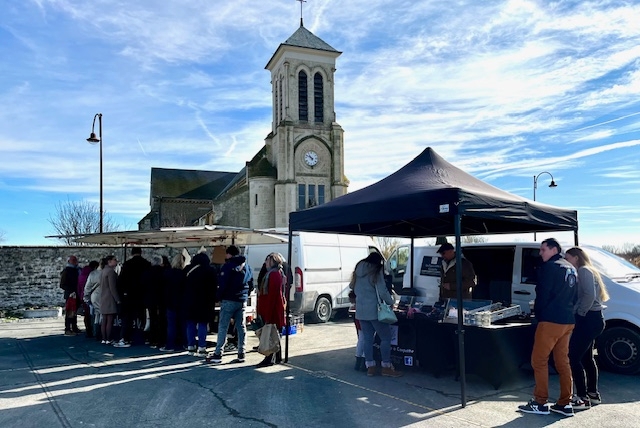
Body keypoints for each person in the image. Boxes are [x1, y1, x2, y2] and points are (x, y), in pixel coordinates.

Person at [519, 238, 577, 417]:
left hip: (551, 320)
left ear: (553, 250)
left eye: (543, 249)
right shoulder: (570, 267)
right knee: (562, 361)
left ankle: (540, 402)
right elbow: (575, 295)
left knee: (539, 360)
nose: (540, 253)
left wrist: (538, 313)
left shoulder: (550, 267)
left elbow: (542, 294)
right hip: (568, 320)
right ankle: (565, 403)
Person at [565, 246, 609, 409]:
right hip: (594, 319)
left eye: (567, 257)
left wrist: (579, 313)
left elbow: (589, 295)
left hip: (588, 319)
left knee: (573, 357)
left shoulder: (583, 271)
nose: (566, 260)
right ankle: (593, 394)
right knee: (587, 357)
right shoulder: (589, 270)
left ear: (576, 257)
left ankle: (582, 398)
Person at [351, 252, 402, 377]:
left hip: (361, 311)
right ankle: (386, 366)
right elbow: (382, 291)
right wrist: (392, 301)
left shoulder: (358, 268)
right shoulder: (376, 270)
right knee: (386, 338)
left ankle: (370, 367)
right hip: (375, 310)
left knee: (368, 339)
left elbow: (352, 286)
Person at [208, 245, 253, 364]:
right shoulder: (247, 267)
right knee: (241, 326)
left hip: (228, 300)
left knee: (223, 326)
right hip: (241, 300)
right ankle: (241, 353)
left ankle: (218, 353)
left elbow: (223, 284)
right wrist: (244, 295)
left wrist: (218, 297)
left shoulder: (227, 267)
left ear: (229, 254)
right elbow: (251, 285)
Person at [255, 252, 287, 367]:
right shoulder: (274, 273)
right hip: (271, 308)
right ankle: (277, 357)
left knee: (271, 334)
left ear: (273, 261)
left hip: (272, 309)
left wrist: (267, 314)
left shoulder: (274, 274)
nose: (266, 263)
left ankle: (270, 358)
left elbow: (273, 295)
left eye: (268, 260)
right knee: (275, 334)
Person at [115, 247, 151, 348]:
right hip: (143, 294)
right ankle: (146, 337)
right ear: (141, 252)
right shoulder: (146, 264)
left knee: (128, 318)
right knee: (143, 317)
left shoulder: (127, 264)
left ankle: (126, 338)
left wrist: (122, 293)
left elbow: (120, 282)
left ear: (132, 253)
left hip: (129, 295)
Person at [183, 252, 217, 357]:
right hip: (205, 302)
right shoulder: (210, 270)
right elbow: (214, 287)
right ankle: (202, 347)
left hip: (189, 301)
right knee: (202, 324)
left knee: (190, 324)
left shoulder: (187, 270)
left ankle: (191, 346)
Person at [160, 254, 186, 352]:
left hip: (170, 302)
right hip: (182, 302)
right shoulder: (184, 274)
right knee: (183, 324)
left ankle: (170, 345)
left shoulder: (167, 273)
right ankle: (185, 343)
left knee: (171, 325)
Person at [142, 255, 167, 348]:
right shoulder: (164, 272)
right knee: (162, 320)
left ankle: (152, 339)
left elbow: (143, 286)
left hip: (150, 299)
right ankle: (161, 340)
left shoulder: (146, 273)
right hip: (162, 298)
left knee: (152, 319)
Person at [100, 255, 121, 345]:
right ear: (109, 261)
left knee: (104, 319)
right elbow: (113, 287)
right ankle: (108, 338)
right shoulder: (111, 272)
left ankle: (104, 338)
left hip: (103, 297)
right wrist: (118, 299)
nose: (116, 261)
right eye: (114, 260)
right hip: (110, 298)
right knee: (110, 319)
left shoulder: (103, 271)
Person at [60, 255, 81, 335]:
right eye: (73, 260)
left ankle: (74, 327)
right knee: (69, 312)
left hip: (77, 294)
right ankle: (68, 328)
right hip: (70, 295)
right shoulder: (66, 271)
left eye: (75, 260)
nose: (75, 261)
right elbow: (62, 284)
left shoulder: (77, 270)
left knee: (74, 312)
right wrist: (70, 291)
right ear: (69, 261)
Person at [82, 260, 101, 339]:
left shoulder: (82, 273)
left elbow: (85, 287)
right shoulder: (95, 274)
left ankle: (90, 331)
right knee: (98, 315)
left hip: (88, 296)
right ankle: (96, 332)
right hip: (96, 296)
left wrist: (85, 297)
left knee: (90, 315)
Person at [78, 260, 96, 337]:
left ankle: (88, 330)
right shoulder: (91, 275)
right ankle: (92, 330)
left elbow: (78, 286)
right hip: (90, 296)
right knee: (92, 314)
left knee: (86, 314)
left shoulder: (81, 274)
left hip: (83, 295)